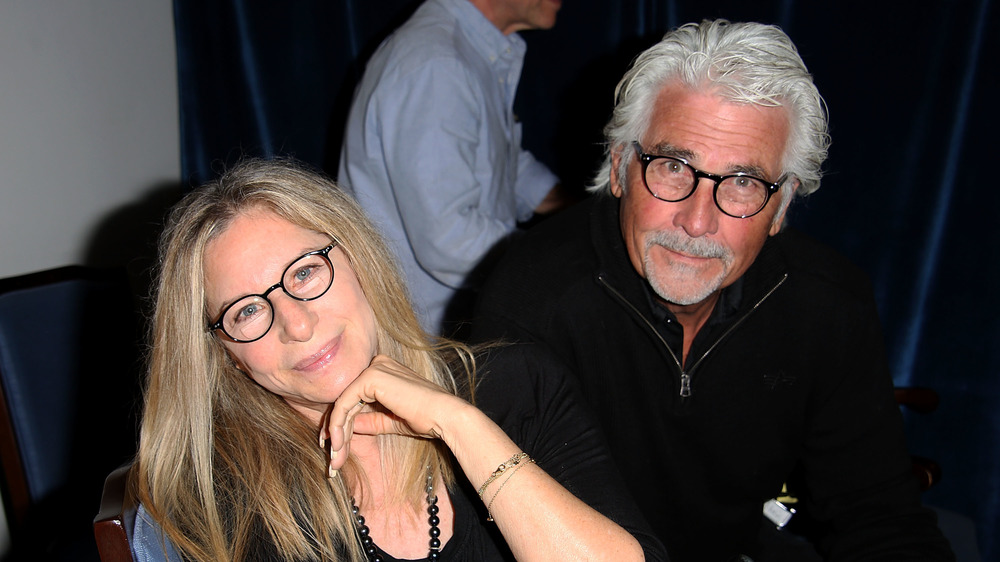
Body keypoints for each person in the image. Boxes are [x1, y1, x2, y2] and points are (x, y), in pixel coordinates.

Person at [472, 19, 955, 562]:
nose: (697, 222)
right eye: (675, 167)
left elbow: (879, 518)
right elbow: (495, 533)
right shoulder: (531, 300)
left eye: (744, 182)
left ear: (782, 207)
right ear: (619, 167)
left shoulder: (827, 305)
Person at [129, 158, 664, 561]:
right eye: (247, 312)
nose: (296, 324)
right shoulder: (229, 503)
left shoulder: (519, 389)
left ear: (359, 258)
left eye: (306, 273)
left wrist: (459, 425)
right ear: (226, 356)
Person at [337, 0, 571, 336]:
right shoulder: (437, 63)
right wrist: (564, 261)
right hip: (431, 343)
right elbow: (448, 237)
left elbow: (502, 164)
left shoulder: (461, 51)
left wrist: (578, 208)